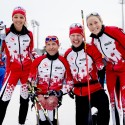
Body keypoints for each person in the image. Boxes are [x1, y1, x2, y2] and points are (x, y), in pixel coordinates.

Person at [64, 23, 110, 125]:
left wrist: (99, 64)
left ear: (83, 36)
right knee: (81, 122)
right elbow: (68, 73)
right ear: (69, 37)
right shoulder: (67, 53)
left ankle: (96, 119)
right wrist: (69, 84)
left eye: (79, 35)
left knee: (104, 105)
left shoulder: (89, 48)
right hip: (80, 93)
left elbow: (98, 58)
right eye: (73, 35)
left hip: (95, 88)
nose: (76, 38)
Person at [0, 6, 38, 125]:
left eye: (21, 17)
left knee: (24, 98)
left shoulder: (29, 34)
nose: (18, 19)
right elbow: (1, 50)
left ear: (25, 19)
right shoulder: (5, 33)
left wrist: (35, 57)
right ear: (12, 18)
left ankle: (21, 123)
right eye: (16, 17)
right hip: (12, 70)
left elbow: (31, 51)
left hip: (26, 70)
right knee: (4, 99)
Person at [86, 12, 125, 124]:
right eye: (90, 24)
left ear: (101, 21)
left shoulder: (113, 31)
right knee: (113, 102)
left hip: (123, 69)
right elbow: (98, 58)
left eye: (95, 22)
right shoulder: (94, 41)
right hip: (111, 71)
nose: (94, 26)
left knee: (124, 101)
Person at [28, 35, 73, 125]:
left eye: (54, 44)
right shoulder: (38, 60)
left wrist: (61, 92)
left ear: (58, 45)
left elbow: (70, 83)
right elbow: (31, 79)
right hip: (40, 93)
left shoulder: (64, 61)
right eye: (48, 44)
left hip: (54, 94)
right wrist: (31, 91)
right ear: (46, 46)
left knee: (50, 103)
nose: (51, 47)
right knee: (41, 108)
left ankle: (52, 122)